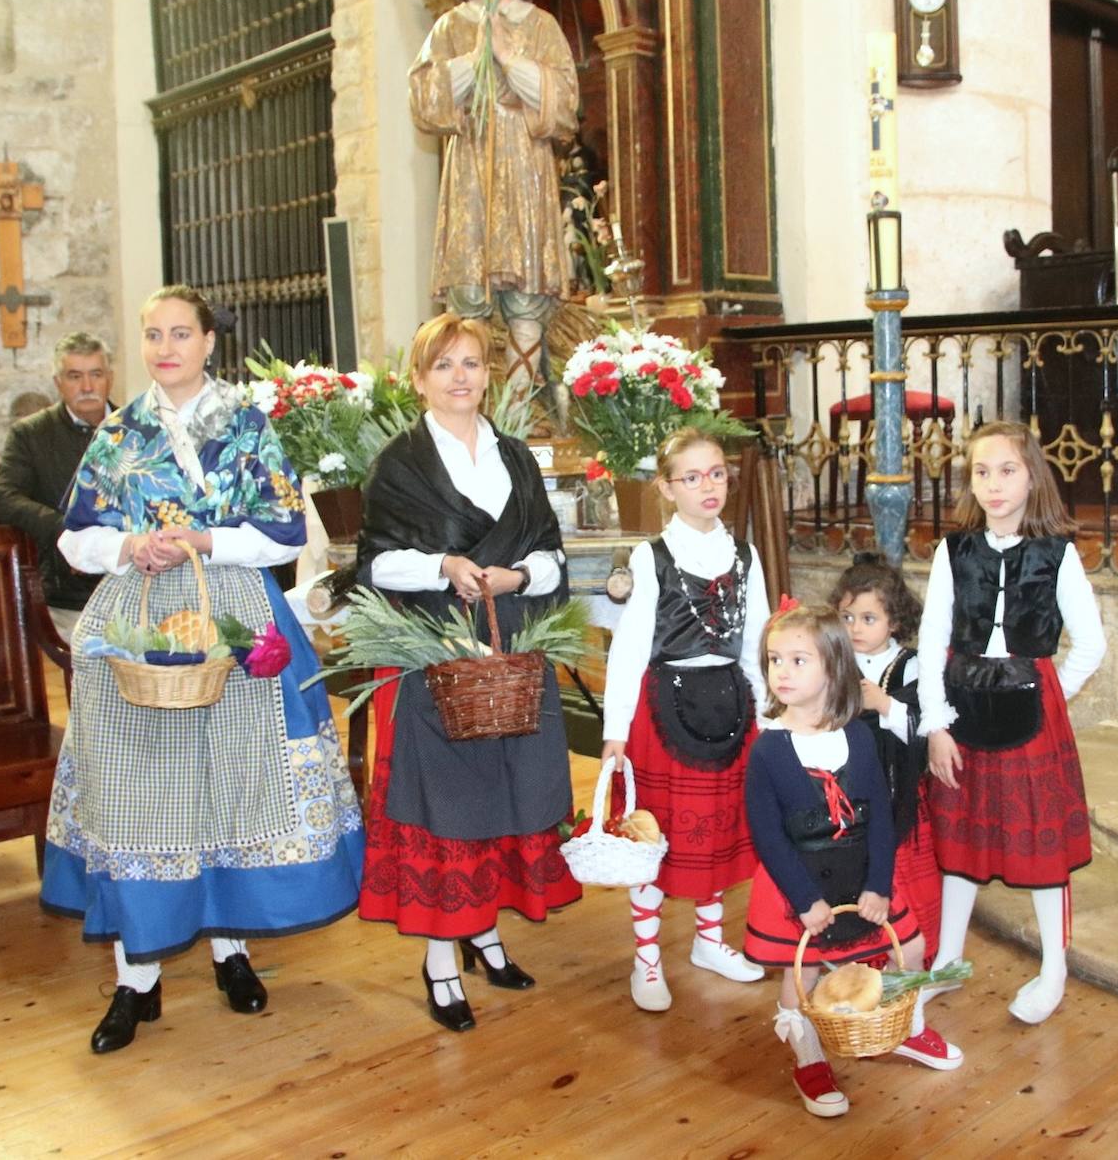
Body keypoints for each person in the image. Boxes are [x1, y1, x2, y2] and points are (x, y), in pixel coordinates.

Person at [40, 286, 365, 1054]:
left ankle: (233, 949)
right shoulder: (119, 432)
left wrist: (205, 539)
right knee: (140, 792)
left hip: (235, 617)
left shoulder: (248, 425)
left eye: (179, 332)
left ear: (210, 341)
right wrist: (127, 547)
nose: (164, 346)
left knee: (234, 779)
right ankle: (135, 976)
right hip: (137, 615)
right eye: (152, 334)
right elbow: (74, 537)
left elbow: (284, 532)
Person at [355, 312, 580, 1033]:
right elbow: (376, 562)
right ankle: (442, 959)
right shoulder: (401, 462)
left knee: (504, 793)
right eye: (445, 364)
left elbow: (552, 556)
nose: (461, 376)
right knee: (449, 804)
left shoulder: (516, 456)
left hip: (508, 643)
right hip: (436, 651)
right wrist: (441, 566)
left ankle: (484, 933)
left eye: (473, 363)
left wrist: (516, 575)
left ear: (489, 374)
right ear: (419, 379)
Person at [917, 420, 1106, 1026]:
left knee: (1040, 841)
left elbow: (1091, 644)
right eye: (981, 472)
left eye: (1007, 471)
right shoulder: (954, 551)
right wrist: (936, 723)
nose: (993, 485)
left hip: (1031, 708)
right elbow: (931, 641)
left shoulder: (1058, 553)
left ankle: (1054, 965)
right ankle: (947, 958)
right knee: (960, 837)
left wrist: (1054, 693)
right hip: (962, 706)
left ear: (1031, 477)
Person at [744, 603, 961, 1121]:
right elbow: (768, 836)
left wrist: (880, 885)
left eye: (799, 660)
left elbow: (881, 818)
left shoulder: (860, 736)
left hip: (861, 875)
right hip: (799, 883)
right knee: (804, 976)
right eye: (776, 660)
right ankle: (808, 1059)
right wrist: (804, 903)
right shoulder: (768, 750)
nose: (783, 671)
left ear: (835, 669)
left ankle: (903, 1029)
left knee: (911, 948)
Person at [601, 428, 769, 1012]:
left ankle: (708, 941)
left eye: (717, 473)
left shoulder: (746, 556)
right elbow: (628, 648)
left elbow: (757, 644)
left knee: (717, 828)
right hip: (663, 710)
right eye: (692, 477)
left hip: (730, 704)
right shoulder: (652, 557)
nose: (708, 486)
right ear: (667, 489)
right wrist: (614, 730)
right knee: (655, 837)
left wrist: (770, 717)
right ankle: (647, 958)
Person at [408, 0, 578, 397]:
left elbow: (564, 103)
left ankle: (522, 414)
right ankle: (472, 409)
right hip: (471, 170)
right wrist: (473, 56)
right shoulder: (449, 27)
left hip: (526, 168)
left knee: (526, 297)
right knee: (468, 293)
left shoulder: (541, 26)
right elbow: (425, 99)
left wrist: (507, 58)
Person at [832, 550, 941, 961]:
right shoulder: (837, 660)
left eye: (868, 618)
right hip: (847, 787)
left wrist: (885, 705)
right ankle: (858, 951)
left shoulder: (909, 666)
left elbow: (922, 727)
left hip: (896, 790)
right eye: (846, 618)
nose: (855, 628)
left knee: (899, 867)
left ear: (894, 621)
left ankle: (909, 951)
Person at [0, 331, 115, 640]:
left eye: (95, 374)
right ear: (58, 383)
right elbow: (1, 496)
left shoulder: (137, 427)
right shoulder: (31, 434)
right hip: (68, 599)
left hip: (135, 586)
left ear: (109, 378)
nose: (87, 386)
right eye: (75, 376)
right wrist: (63, 530)